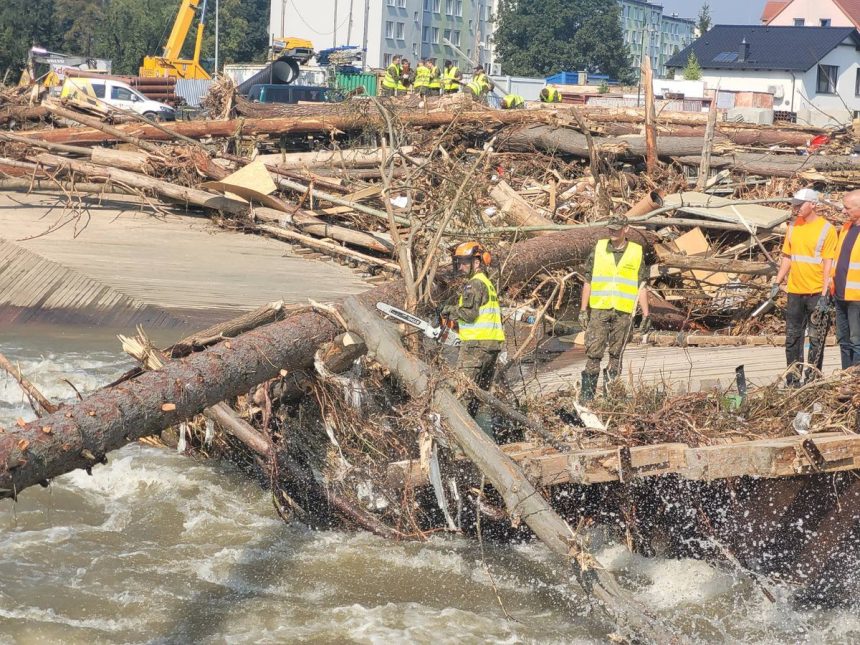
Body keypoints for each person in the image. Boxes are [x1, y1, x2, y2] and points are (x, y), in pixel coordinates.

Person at [578, 215, 650, 402]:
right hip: (600, 310)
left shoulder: (636, 252)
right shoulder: (599, 248)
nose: (612, 232)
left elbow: (641, 285)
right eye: (610, 228)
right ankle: (587, 399)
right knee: (593, 354)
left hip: (623, 312)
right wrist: (583, 310)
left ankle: (612, 399)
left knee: (616, 355)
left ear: (626, 229)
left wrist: (646, 315)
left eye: (616, 229)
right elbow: (588, 281)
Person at [772, 188, 838, 386]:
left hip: (817, 292)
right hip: (795, 292)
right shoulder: (793, 227)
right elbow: (787, 257)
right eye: (795, 204)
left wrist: (825, 293)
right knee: (793, 337)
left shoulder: (826, 229)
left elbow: (829, 262)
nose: (796, 208)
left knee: (817, 339)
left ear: (813, 204)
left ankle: (812, 379)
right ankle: (793, 378)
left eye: (800, 204)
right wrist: (777, 282)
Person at [441, 241, 505, 437]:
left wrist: (449, 310)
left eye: (464, 262)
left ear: (476, 262)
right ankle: (485, 442)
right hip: (491, 346)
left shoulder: (474, 284)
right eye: (458, 262)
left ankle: (459, 445)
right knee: (480, 397)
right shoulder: (488, 284)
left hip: (476, 347)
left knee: (462, 394)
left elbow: (469, 315)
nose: (460, 267)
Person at [832, 189, 860, 368]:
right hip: (840, 294)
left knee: (857, 342)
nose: (843, 211)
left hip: (857, 299)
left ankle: (856, 384)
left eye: (847, 208)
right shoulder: (847, 228)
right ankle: (846, 379)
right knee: (844, 341)